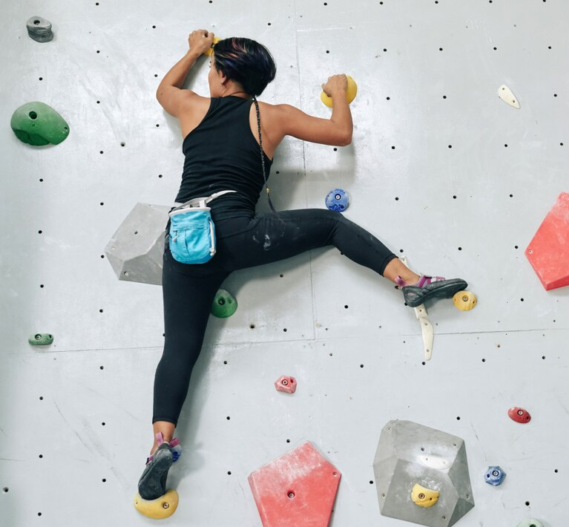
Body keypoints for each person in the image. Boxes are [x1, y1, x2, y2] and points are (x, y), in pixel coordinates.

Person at [139, 30, 465, 502]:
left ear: (224, 75)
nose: (209, 75)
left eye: (213, 69)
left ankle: (160, 445)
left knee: (180, 347)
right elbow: (340, 134)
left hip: (184, 238)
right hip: (235, 230)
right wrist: (336, 94)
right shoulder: (271, 115)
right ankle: (409, 282)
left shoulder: (191, 107)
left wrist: (194, 50)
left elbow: (163, 91)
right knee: (331, 225)